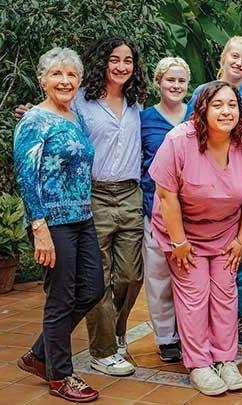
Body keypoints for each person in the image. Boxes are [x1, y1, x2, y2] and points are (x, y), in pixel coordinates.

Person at [150, 81, 242, 395]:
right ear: (202, 109)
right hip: (182, 232)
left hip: (226, 230)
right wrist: (179, 242)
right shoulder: (179, 141)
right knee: (195, 296)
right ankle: (199, 363)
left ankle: (225, 358)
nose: (226, 111)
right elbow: (166, 194)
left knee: (225, 294)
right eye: (217, 105)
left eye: (232, 105)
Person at [14, 47, 104, 403]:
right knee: (61, 298)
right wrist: (39, 227)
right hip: (53, 221)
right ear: (42, 80)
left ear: (79, 82)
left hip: (82, 217)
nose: (65, 81)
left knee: (92, 288)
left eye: (71, 75)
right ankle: (60, 376)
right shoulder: (34, 121)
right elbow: (27, 176)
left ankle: (39, 354)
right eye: (56, 74)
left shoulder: (73, 116)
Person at [185, 36, 242, 345]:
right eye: (235, 55)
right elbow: (186, 132)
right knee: (207, 252)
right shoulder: (202, 92)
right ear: (224, 55)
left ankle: (237, 316)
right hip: (207, 187)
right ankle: (202, 318)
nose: (239, 62)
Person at [74, 36, 147, 376]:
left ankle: (115, 332)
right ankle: (102, 351)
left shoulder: (135, 103)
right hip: (95, 193)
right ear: (102, 61)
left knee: (131, 275)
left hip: (130, 193)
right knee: (98, 276)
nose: (121, 67)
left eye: (128, 61)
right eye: (114, 59)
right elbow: (59, 124)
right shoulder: (81, 102)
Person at [140, 57, 191, 363]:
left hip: (193, 212)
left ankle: (190, 333)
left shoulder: (196, 116)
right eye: (170, 80)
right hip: (154, 208)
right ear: (158, 82)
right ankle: (165, 337)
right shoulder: (145, 119)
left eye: (181, 81)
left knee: (189, 277)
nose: (175, 86)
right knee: (159, 275)